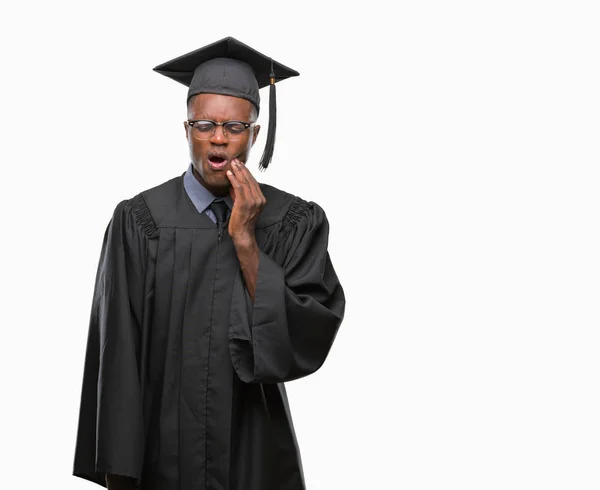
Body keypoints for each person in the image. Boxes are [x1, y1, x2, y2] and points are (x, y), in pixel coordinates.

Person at [72, 37, 346, 490]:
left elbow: (306, 335)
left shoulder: (294, 221)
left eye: (234, 127)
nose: (218, 138)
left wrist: (244, 238)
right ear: (186, 128)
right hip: (160, 458)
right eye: (204, 124)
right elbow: (117, 356)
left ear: (255, 134)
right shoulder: (140, 221)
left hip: (254, 456)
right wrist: (120, 474)